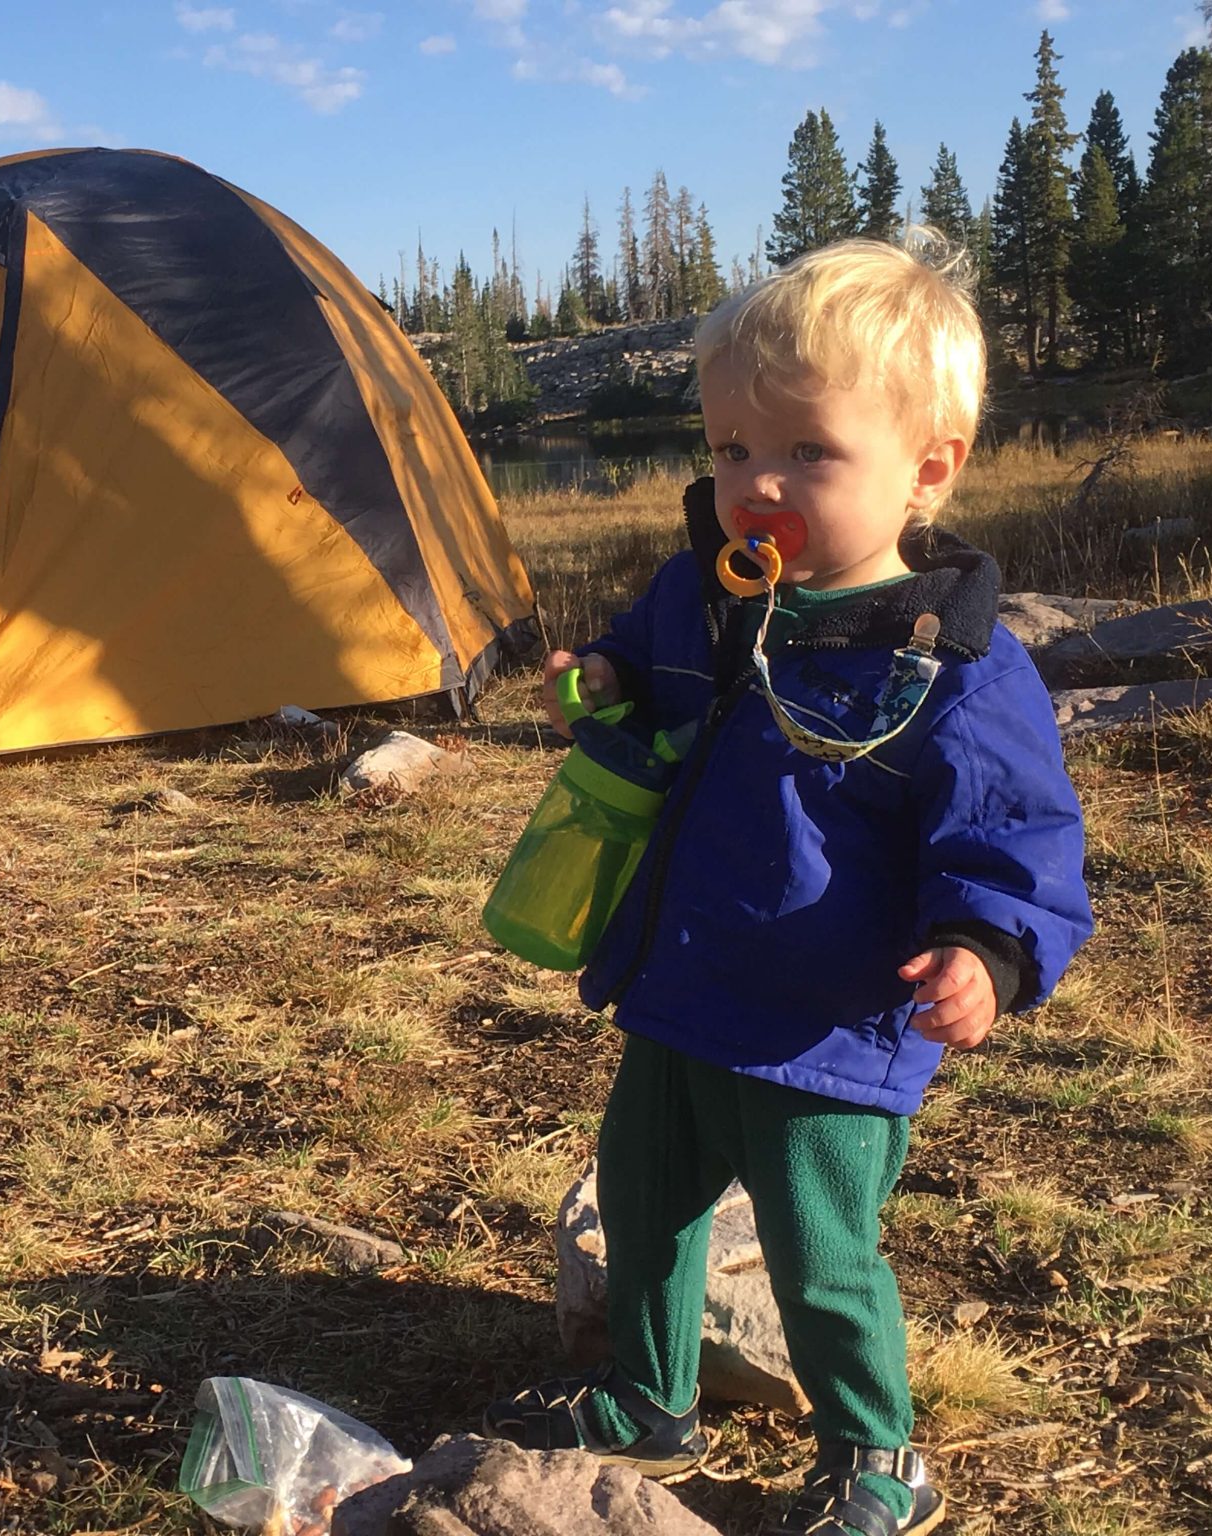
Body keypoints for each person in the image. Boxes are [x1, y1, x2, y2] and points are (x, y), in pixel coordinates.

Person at [481, 236, 1093, 1536]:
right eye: (728, 448)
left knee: (825, 1259)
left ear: (928, 467)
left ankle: (876, 1458)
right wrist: (606, 677)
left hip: (828, 1032)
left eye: (807, 453)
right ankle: (649, 1401)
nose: (755, 483)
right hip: (683, 991)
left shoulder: (957, 671)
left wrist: (986, 948)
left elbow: (1016, 839)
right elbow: (645, 668)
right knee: (643, 1203)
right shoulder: (709, 600)